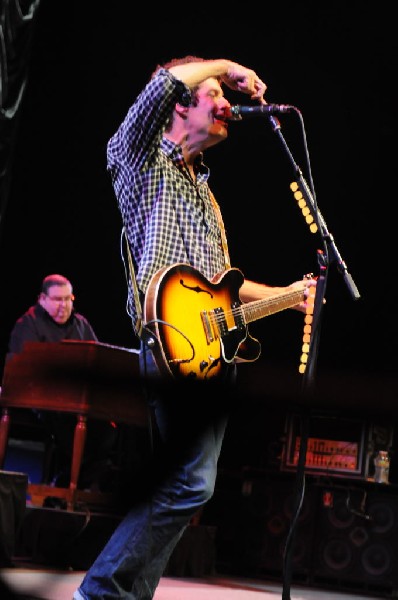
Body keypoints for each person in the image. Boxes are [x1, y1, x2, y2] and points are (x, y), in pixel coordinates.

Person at [73, 56, 317, 600]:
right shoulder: (140, 159)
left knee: (185, 486)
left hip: (210, 353)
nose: (228, 105)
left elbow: (225, 287)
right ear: (181, 105)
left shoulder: (207, 195)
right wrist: (229, 67)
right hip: (169, 343)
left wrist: (292, 297)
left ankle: (125, 595)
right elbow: (161, 82)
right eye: (214, 95)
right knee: (190, 482)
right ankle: (101, 590)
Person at [5, 273, 118, 490]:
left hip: (77, 402)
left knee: (108, 430)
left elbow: (97, 362)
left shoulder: (81, 324)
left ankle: (67, 481)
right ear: (42, 299)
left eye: (68, 299)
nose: (63, 306)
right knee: (68, 425)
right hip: (41, 402)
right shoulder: (28, 324)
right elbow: (20, 370)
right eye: (57, 300)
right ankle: (68, 482)